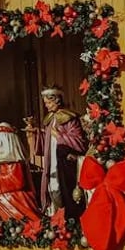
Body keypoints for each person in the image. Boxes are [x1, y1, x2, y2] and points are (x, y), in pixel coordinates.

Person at [32, 87, 88, 215]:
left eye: (49, 102)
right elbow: (46, 141)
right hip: (51, 160)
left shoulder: (69, 118)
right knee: (52, 187)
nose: (46, 106)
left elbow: (79, 141)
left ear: (57, 101)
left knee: (65, 190)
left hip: (65, 163)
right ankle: (58, 217)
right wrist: (35, 134)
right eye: (45, 103)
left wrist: (59, 136)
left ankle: (69, 217)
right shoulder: (50, 119)